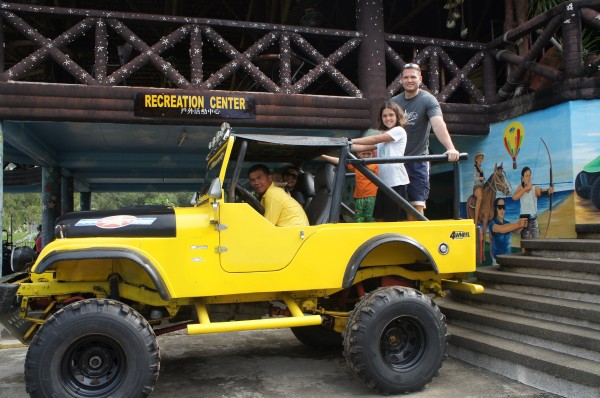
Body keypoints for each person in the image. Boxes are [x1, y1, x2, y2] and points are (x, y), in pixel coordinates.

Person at [390, 63, 460, 220]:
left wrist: (451, 148)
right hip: (396, 161)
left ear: (420, 79)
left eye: (413, 77)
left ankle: (414, 240)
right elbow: (385, 132)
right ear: (401, 80)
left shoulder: (428, 100)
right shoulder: (394, 102)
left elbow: (438, 124)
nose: (409, 80)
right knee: (393, 204)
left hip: (418, 159)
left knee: (416, 204)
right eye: (406, 77)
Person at [348, 101, 409, 222]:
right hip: (383, 183)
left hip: (396, 182)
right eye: (384, 116)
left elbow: (375, 138)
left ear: (397, 116)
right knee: (379, 217)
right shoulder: (384, 135)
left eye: (391, 115)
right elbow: (363, 147)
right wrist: (344, 145)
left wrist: (351, 140)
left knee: (393, 219)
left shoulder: (399, 131)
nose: (388, 118)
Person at [321, 149, 378, 222]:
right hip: (358, 197)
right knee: (358, 220)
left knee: (370, 220)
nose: (366, 156)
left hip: (372, 197)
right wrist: (323, 156)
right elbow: (340, 161)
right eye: (364, 154)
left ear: (372, 155)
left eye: (369, 154)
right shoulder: (357, 164)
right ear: (358, 154)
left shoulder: (376, 165)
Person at [512, 166, 554, 240]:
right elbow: (514, 197)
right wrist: (525, 189)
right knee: (525, 242)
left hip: (533, 220)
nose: (529, 178)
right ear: (522, 178)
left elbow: (541, 191)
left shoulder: (534, 188)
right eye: (526, 176)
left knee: (536, 241)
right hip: (524, 221)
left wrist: (548, 191)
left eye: (530, 175)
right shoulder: (521, 188)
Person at [489, 198, 527, 264]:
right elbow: (502, 229)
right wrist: (518, 224)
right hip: (497, 260)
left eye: (503, 207)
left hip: (508, 259)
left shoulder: (507, 223)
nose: (502, 210)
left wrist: (523, 224)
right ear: (495, 208)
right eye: (500, 207)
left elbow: (517, 230)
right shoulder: (492, 223)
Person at [473, 152, 486, 225]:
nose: (481, 160)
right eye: (479, 158)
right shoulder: (475, 168)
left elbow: (483, 180)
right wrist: (482, 178)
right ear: (476, 159)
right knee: (480, 197)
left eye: (482, 158)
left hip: (482, 186)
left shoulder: (481, 169)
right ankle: (476, 219)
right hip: (477, 186)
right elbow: (475, 178)